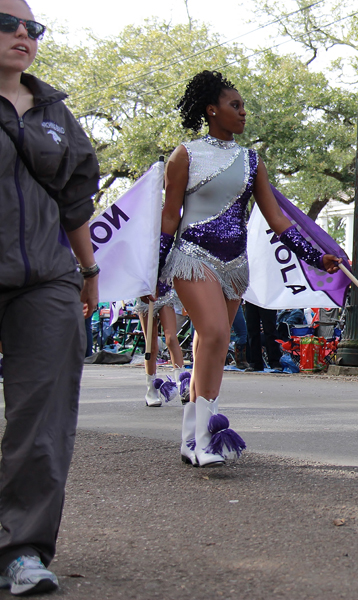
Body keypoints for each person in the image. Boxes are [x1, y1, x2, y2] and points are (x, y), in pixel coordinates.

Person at [156, 70, 341, 466]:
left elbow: (277, 220)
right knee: (217, 334)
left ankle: (191, 438)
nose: (243, 113)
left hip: (234, 265)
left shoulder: (251, 160)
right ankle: (207, 437)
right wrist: (154, 270)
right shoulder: (184, 155)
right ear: (212, 110)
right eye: (234, 105)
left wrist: (314, 255)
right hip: (192, 256)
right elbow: (170, 217)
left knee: (212, 344)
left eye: (243, 106)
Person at [0, 1, 100, 592]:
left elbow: (74, 202)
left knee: (41, 420)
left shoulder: (55, 111)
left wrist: (87, 269)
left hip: (47, 280)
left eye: (32, 28)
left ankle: (22, 551)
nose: (22, 34)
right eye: (7, 22)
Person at [135, 290, 187, 406]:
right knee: (151, 345)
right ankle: (151, 390)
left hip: (164, 293)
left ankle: (182, 385)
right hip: (144, 295)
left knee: (171, 338)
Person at [244, 300, 282, 372]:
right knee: (252, 330)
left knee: (270, 330)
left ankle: (275, 362)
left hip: (267, 298)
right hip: (251, 297)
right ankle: (255, 363)